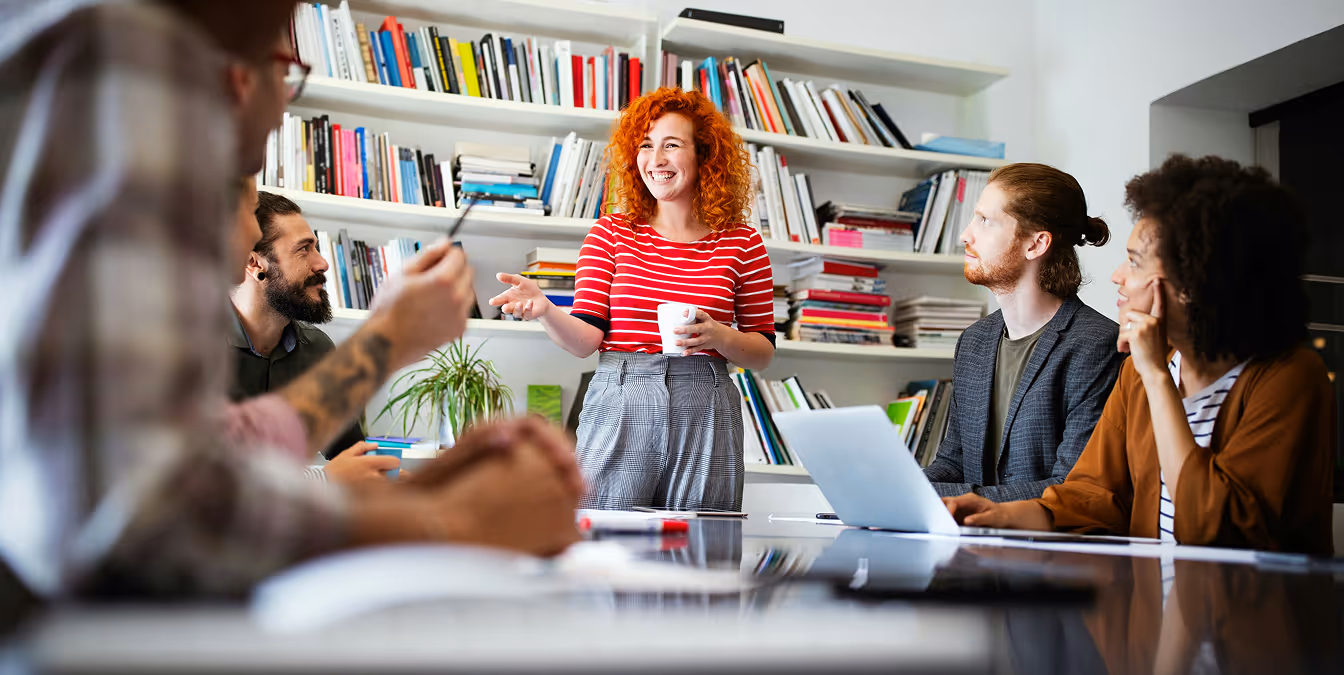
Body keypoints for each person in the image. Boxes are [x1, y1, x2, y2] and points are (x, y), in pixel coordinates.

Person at [0, 0, 580, 601]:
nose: (283, 107)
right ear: (237, 78)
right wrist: (451, 524)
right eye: (286, 68)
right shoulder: (128, 53)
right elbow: (133, 509)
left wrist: (425, 482)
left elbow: (223, 446)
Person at [944, 155, 1335, 556]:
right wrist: (997, 513)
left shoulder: (1290, 378)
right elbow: (1094, 492)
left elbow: (1214, 528)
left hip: (1252, 614)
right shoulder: (1141, 371)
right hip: (1154, 610)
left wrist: (1157, 377)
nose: (1117, 275)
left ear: (1191, 282)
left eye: (1134, 262)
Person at [489, 88, 775, 511]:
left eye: (671, 145)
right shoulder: (611, 233)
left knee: (701, 557)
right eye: (645, 145)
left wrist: (718, 335)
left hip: (708, 405)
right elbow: (586, 339)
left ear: (704, 154)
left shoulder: (742, 242)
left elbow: (763, 351)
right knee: (603, 552)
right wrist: (546, 310)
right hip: (620, 399)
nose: (655, 159)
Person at [923, 163, 1124, 501]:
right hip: (972, 545)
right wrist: (902, 489)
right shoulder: (973, 343)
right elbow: (953, 462)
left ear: (1036, 244)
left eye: (985, 221)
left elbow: (1069, 488)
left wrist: (956, 499)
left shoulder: (1098, 345)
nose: (966, 235)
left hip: (1051, 550)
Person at [228, 188, 391, 486]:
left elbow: (353, 458)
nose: (322, 263)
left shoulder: (317, 349)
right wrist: (323, 481)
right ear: (254, 263)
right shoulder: (189, 350)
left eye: (315, 247)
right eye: (304, 249)